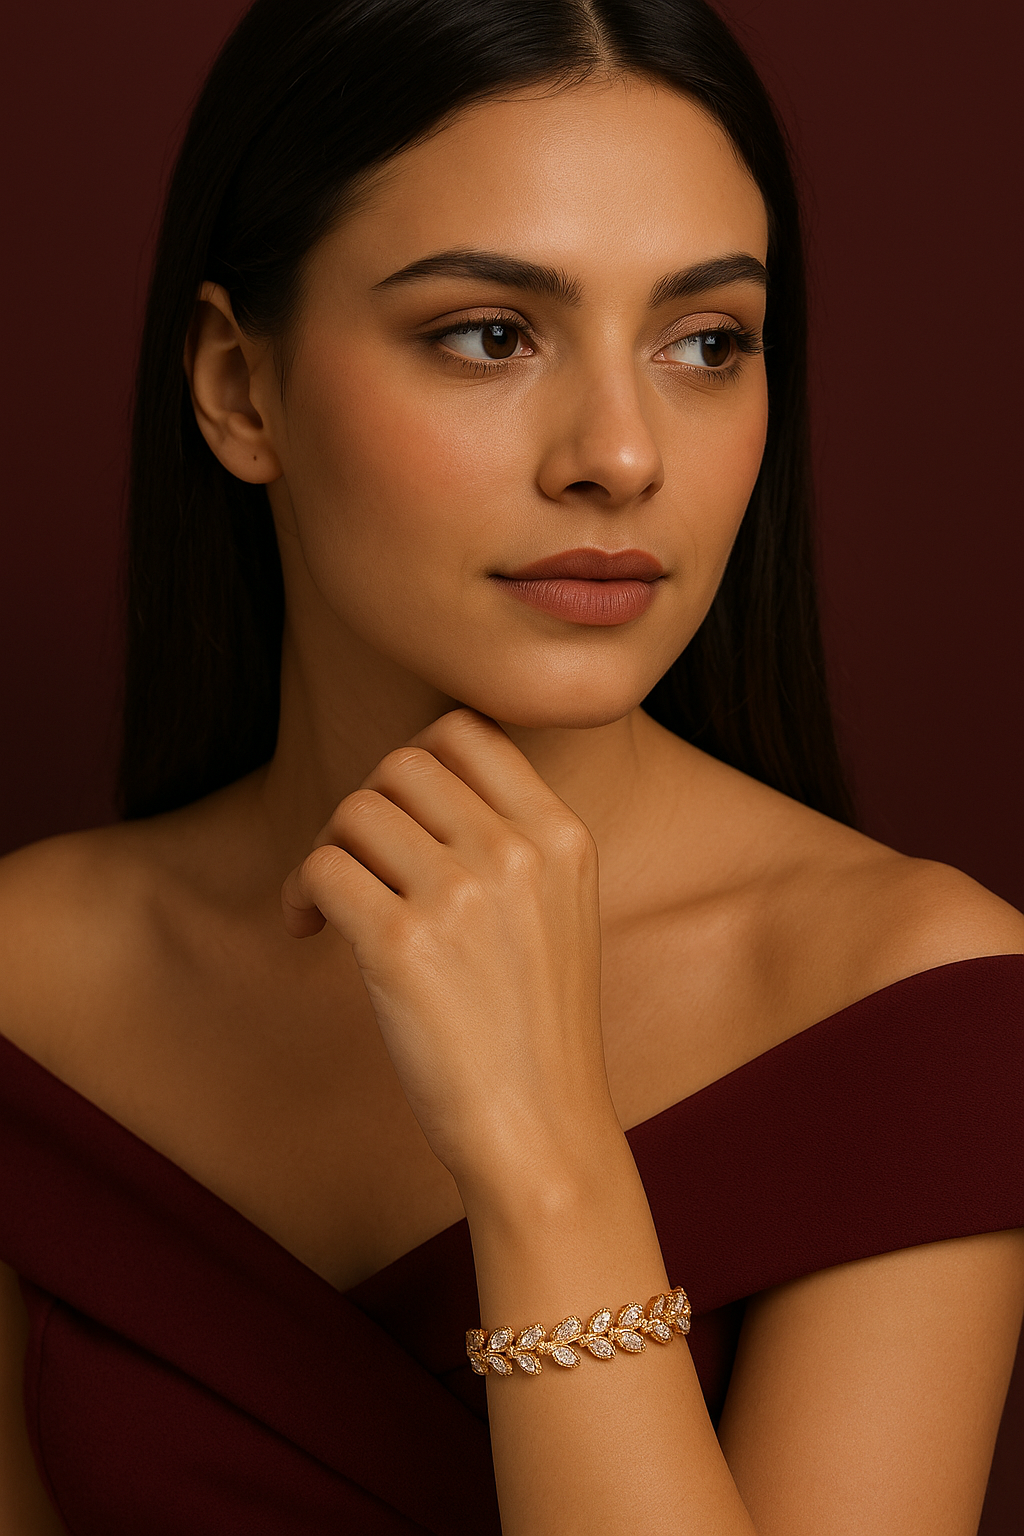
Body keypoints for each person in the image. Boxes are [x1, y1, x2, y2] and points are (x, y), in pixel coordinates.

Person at [1, 0, 1021, 1531]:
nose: (621, 454)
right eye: (489, 332)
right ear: (238, 387)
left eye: (705, 342)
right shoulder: (29, 990)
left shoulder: (916, 999)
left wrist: (545, 1157)